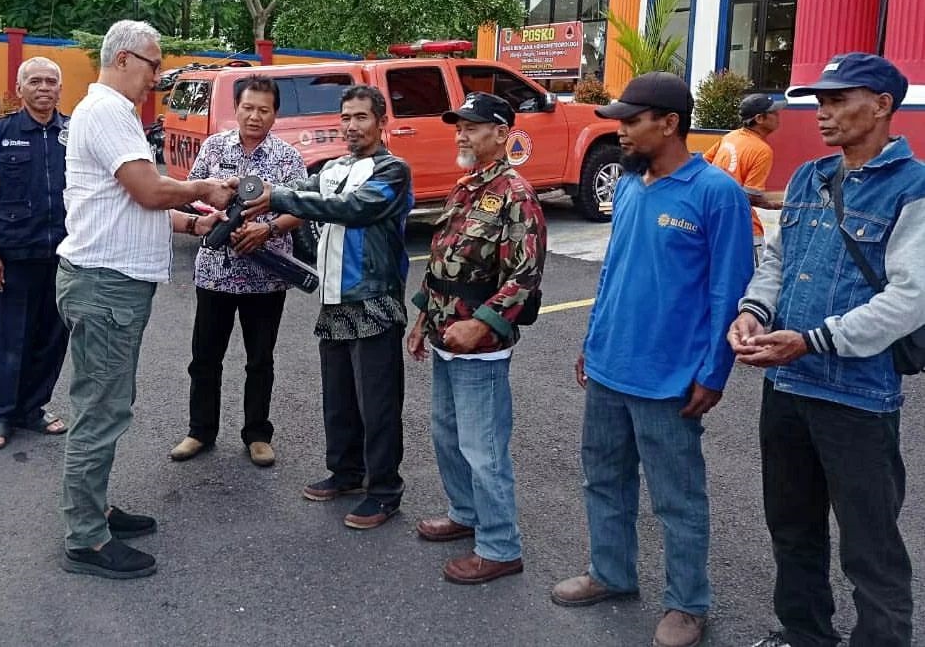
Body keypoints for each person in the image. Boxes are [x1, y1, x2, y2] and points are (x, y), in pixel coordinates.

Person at [728, 53, 924, 647]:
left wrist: (813, 340)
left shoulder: (914, 188)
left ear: (884, 105)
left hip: (857, 396)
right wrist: (753, 311)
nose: (824, 113)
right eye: (820, 102)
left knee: (870, 544)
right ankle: (804, 632)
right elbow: (780, 261)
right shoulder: (812, 178)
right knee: (792, 527)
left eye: (839, 100)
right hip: (786, 387)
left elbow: (910, 298)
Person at [551, 72, 753, 647]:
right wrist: (592, 341)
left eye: (631, 120)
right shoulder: (634, 186)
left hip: (669, 379)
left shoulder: (716, 193)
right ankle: (611, 573)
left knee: (677, 499)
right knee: (603, 479)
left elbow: (728, 292)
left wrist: (714, 371)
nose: (621, 131)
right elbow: (613, 272)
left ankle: (688, 604)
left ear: (669, 123)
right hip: (611, 366)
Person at [57, 20, 234, 580]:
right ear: (127, 58)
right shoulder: (108, 112)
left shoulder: (109, 112)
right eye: (156, 65)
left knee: (108, 404)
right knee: (101, 411)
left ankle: (96, 510)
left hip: (109, 281)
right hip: (105, 284)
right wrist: (203, 189)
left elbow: (130, 204)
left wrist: (189, 221)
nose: (158, 77)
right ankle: (86, 538)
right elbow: (148, 190)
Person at [243, 84, 413, 530]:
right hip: (333, 298)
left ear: (381, 122)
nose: (352, 125)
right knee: (339, 398)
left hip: (374, 300)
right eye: (346, 117)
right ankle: (346, 473)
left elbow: (353, 209)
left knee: (377, 403)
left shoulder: (393, 170)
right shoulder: (334, 167)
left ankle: (384, 491)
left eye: (361, 117)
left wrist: (279, 197)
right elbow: (301, 193)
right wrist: (245, 192)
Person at [408, 92, 546, 585]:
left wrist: (482, 323)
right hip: (446, 333)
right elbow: (443, 258)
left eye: (471, 126)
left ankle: (500, 546)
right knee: (447, 434)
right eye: (459, 126)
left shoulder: (515, 195)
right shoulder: (467, 187)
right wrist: (423, 314)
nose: (461, 134)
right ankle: (465, 513)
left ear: (501, 134)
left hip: (478, 344)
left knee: (483, 446)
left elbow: (524, 275)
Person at [170, 76, 306, 468]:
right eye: (248, 107)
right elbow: (191, 194)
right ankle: (199, 431)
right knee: (205, 357)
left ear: (275, 114)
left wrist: (269, 227)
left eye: (264, 110)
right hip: (215, 271)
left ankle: (258, 435)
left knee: (260, 359)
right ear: (237, 108)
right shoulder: (214, 147)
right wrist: (213, 219)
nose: (254, 116)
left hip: (266, 275)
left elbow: (302, 207)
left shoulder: (287, 156)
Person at [0, 58, 69, 450]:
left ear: (59, 90)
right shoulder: (1, 133)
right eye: (35, 81)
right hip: (14, 255)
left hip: (64, 254)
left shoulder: (73, 132)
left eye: (51, 81)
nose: (44, 87)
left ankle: (33, 408)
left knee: (52, 338)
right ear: (20, 88)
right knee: (10, 339)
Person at [704, 93, 786, 262]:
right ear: (760, 118)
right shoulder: (762, 150)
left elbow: (704, 164)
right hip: (742, 227)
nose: (778, 116)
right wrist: (780, 205)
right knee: (756, 280)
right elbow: (751, 197)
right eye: (774, 113)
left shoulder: (730, 137)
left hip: (713, 221)